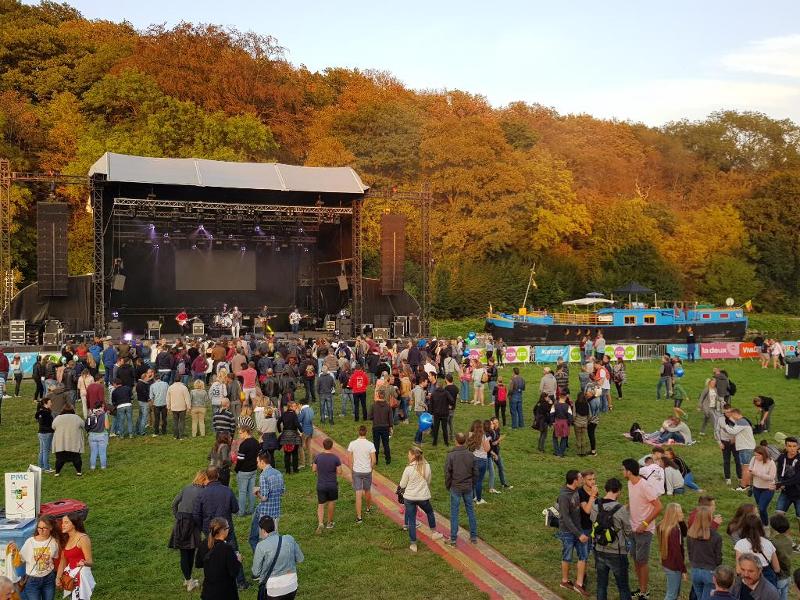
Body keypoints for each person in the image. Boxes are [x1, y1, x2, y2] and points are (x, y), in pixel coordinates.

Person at [193, 467, 248, 591]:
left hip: (211, 530)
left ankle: (215, 580)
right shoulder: (227, 491)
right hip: (226, 529)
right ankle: (241, 582)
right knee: (234, 553)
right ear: (218, 475)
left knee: (211, 556)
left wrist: (204, 527)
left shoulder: (202, 494)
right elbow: (235, 508)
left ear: (207, 477)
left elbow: (196, 514)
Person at [623, 458, 663, 600]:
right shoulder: (629, 483)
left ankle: (644, 592)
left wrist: (645, 524)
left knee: (642, 561)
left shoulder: (645, 486)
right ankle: (640, 589)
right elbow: (634, 500)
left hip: (644, 531)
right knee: (636, 559)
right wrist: (623, 509)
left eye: (623, 469)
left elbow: (659, 506)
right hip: (633, 529)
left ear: (629, 471)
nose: (622, 472)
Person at [591, 477, 633, 600]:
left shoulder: (595, 506)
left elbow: (593, 522)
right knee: (623, 587)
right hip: (617, 552)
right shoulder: (621, 509)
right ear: (619, 491)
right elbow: (628, 531)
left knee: (601, 585)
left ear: (606, 489)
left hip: (599, 549)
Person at [399, 446, 444, 552]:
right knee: (429, 512)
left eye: (409, 455)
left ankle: (413, 544)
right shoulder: (427, 466)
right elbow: (428, 481)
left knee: (412, 520)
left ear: (414, 455)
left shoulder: (408, 468)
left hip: (409, 498)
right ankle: (434, 533)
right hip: (423, 496)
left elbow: (402, 484)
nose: (408, 457)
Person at [170, 470, 207, 592]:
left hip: (181, 523)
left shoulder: (186, 488)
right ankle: (189, 581)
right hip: (192, 524)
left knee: (185, 553)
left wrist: (178, 517)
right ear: (203, 479)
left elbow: (174, 503)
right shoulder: (202, 492)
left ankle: (188, 579)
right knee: (188, 554)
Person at [252, 516, 304, 600]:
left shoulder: (261, 546)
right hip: (292, 585)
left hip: (274, 589)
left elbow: (256, 572)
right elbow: (300, 558)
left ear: (263, 530)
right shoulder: (289, 538)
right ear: (274, 526)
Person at [557, 470, 589, 596]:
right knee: (567, 556)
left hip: (578, 529)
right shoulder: (564, 496)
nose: (582, 479)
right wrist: (578, 534)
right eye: (580, 478)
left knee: (583, 555)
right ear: (575, 480)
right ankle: (564, 581)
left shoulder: (576, 490)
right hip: (567, 532)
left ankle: (579, 584)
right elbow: (566, 518)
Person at [445, 431, 478, 547]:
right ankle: (473, 536)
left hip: (456, 487)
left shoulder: (451, 455)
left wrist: (448, 485)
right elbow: (476, 472)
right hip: (468, 487)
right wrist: (472, 484)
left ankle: (453, 539)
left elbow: (448, 473)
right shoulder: (471, 455)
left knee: (454, 513)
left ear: (456, 441)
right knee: (470, 511)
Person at [194, 518, 241, 600]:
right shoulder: (227, 549)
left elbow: (198, 563)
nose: (228, 529)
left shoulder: (204, 543)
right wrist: (238, 561)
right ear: (222, 530)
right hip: (225, 592)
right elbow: (234, 572)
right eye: (227, 528)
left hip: (209, 591)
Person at [15, 516, 59, 600]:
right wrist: (14, 553)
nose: (41, 530)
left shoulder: (54, 542)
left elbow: (54, 558)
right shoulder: (30, 542)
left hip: (49, 578)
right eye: (39, 527)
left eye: (44, 528)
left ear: (51, 528)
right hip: (32, 580)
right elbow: (21, 560)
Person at [249, 451, 285, 551]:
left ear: (262, 462)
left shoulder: (263, 475)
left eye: (257, 462)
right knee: (274, 539)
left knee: (262, 539)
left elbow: (264, 497)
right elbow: (282, 491)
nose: (257, 464)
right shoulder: (278, 473)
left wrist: (257, 493)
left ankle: (261, 559)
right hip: (276, 512)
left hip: (265, 513)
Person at [735, 514, 782, 587]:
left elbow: (738, 570)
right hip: (768, 580)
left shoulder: (740, 544)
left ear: (744, 528)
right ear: (760, 527)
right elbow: (777, 569)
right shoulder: (768, 543)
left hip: (748, 582)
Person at [687, 506, 722, 600]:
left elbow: (690, 553)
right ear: (710, 518)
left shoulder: (690, 534)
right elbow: (718, 558)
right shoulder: (716, 536)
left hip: (695, 571)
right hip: (709, 572)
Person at [722, 406, 756, 492]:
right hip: (745, 447)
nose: (731, 418)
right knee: (745, 467)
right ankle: (747, 484)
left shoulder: (741, 421)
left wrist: (724, 425)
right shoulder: (742, 421)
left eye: (732, 415)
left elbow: (732, 431)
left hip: (746, 448)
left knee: (745, 468)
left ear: (735, 414)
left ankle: (743, 486)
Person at [657, 503, 686, 600]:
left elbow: (685, 533)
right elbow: (677, 553)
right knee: (671, 595)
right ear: (674, 514)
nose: (683, 514)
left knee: (674, 593)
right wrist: (683, 570)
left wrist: (681, 522)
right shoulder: (674, 530)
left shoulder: (664, 526)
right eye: (680, 512)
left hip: (668, 562)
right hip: (674, 566)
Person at [312, 438, 342, 534]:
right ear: (331, 446)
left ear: (323, 445)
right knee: (331, 502)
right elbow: (340, 471)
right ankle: (329, 523)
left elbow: (313, 469)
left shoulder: (318, 457)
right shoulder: (335, 458)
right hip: (332, 484)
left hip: (321, 484)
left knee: (321, 504)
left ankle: (320, 523)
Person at [347, 425, 376, 524]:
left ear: (358, 432)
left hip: (356, 471)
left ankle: (359, 517)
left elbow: (350, 460)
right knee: (367, 490)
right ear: (366, 432)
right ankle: (368, 508)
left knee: (358, 494)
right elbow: (374, 460)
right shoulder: (370, 445)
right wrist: (371, 469)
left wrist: (352, 471)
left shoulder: (352, 444)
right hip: (367, 471)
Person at [775, 437, 800, 539]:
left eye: (794, 446)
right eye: (789, 446)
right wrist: (780, 482)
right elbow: (779, 472)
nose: (792, 448)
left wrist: (781, 484)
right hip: (786, 493)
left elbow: (798, 478)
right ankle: (788, 540)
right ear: (785, 446)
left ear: (798, 447)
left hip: (799, 494)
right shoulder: (781, 458)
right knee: (779, 515)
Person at [235, 416, 260, 517]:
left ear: (246, 432)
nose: (239, 435)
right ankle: (251, 510)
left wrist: (236, 469)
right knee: (251, 491)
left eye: (240, 433)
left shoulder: (244, 444)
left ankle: (241, 512)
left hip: (244, 471)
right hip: (253, 470)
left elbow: (240, 460)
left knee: (242, 492)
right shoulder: (255, 442)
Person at [52, 405, 84, 477]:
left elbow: (53, 426)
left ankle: (57, 472)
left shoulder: (58, 418)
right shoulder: (77, 418)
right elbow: (83, 425)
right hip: (74, 443)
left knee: (60, 459)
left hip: (61, 443)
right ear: (72, 410)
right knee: (76, 458)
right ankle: (79, 472)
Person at [749, 446, 777, 527]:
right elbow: (750, 469)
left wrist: (757, 473)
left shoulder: (771, 463)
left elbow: (771, 477)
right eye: (755, 455)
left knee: (762, 508)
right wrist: (750, 473)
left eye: (758, 455)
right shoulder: (754, 459)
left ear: (763, 455)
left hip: (768, 488)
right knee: (760, 508)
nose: (756, 457)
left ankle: (766, 525)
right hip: (756, 487)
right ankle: (762, 523)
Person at [769, 514, 793, 600]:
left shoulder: (772, 542)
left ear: (773, 527)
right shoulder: (789, 539)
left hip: (778, 577)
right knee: (784, 596)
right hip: (787, 575)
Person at [278, 402, 302, 475]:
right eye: (294, 406)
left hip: (285, 434)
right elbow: (297, 424)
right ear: (290, 407)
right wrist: (301, 431)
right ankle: (295, 470)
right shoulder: (294, 414)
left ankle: (287, 471)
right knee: (295, 453)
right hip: (293, 434)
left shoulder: (284, 414)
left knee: (287, 454)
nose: (296, 407)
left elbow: (278, 422)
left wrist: (279, 431)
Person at [85, 400, 110, 471]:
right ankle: (103, 467)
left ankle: (92, 467)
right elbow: (107, 426)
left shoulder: (90, 414)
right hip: (102, 435)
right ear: (102, 406)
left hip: (92, 435)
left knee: (93, 452)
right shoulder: (104, 414)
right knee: (102, 452)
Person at [427, 376, 450, 448]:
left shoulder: (434, 393)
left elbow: (431, 404)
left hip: (436, 413)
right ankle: (446, 443)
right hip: (444, 413)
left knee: (436, 428)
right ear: (443, 385)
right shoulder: (446, 392)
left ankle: (434, 442)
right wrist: (449, 404)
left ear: (437, 385)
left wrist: (431, 413)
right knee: (444, 428)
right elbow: (452, 400)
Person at [35, 397, 55, 473]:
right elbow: (49, 424)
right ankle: (46, 467)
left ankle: (41, 466)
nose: (51, 403)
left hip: (40, 433)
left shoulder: (40, 412)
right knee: (46, 451)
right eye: (50, 402)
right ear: (45, 403)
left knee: (42, 450)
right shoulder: (46, 413)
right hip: (47, 433)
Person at [551, 393, 573, 458]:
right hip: (565, 422)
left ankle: (557, 451)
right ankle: (561, 452)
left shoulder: (554, 405)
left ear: (559, 397)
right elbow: (570, 417)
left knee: (555, 437)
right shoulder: (568, 406)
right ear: (565, 398)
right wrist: (569, 423)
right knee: (564, 437)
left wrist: (552, 422)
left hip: (557, 422)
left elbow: (551, 414)